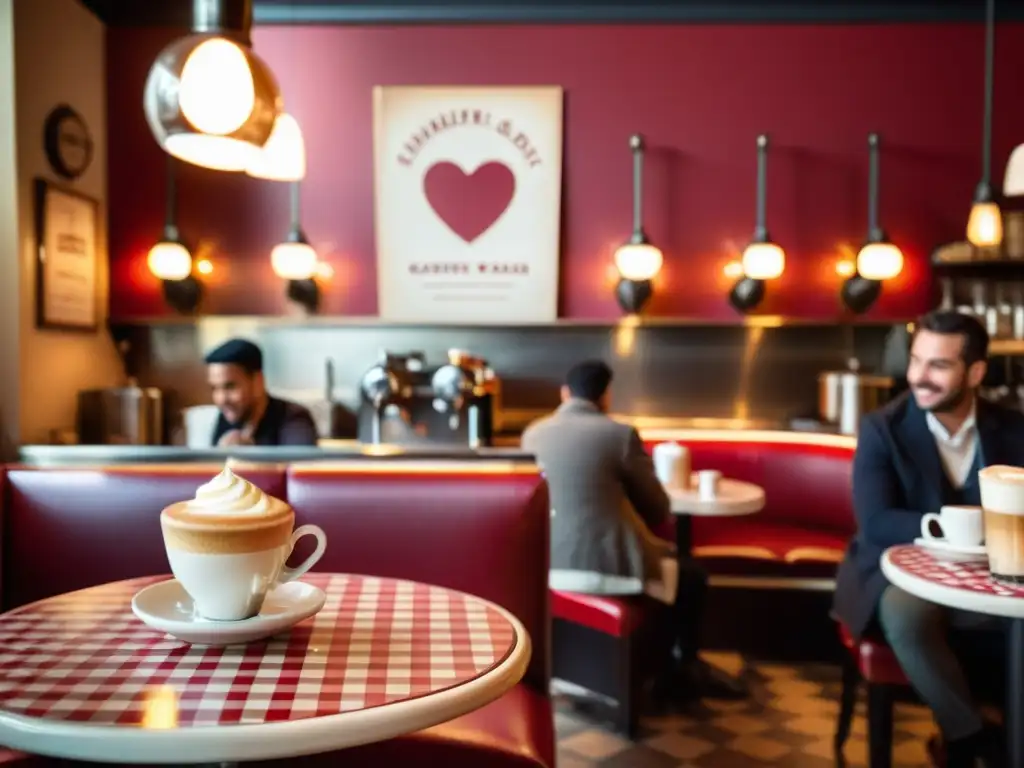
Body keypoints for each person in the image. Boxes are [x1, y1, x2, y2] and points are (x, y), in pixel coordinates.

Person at [834, 310, 1024, 768]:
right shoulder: (884, 428)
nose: (919, 376)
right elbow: (876, 522)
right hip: (902, 576)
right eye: (917, 361)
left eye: (938, 365)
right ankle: (970, 739)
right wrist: (947, 527)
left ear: (975, 372)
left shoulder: (1014, 428)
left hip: (991, 578)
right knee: (906, 614)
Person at [522, 359, 741, 700]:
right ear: (606, 396)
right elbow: (658, 510)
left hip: (544, 566)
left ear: (564, 393)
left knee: (675, 572)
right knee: (691, 577)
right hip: (600, 568)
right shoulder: (619, 435)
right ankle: (681, 669)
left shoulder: (532, 433)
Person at [204, 338, 319, 447]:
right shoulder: (227, 416)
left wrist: (250, 455)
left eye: (230, 387)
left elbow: (299, 464)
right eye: (214, 388)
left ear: (258, 382)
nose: (221, 399)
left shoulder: (294, 418)